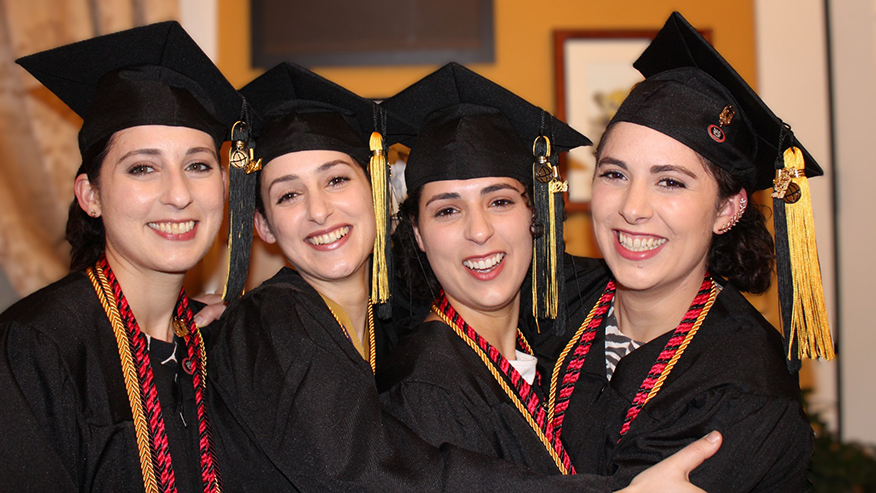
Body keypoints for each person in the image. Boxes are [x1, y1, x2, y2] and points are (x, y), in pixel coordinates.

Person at [206, 61, 721, 492]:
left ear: (376, 194)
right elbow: (372, 476)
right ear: (262, 224)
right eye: (288, 195)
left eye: (337, 179)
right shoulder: (277, 322)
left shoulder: (387, 320)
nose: (319, 212)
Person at [533, 12, 824, 492]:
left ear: (727, 209)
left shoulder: (744, 389)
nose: (633, 208)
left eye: (670, 182)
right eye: (614, 174)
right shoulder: (555, 297)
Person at [0, 22, 245, 491]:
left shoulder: (215, 346)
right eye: (143, 168)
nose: (178, 195)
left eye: (197, 165)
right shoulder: (36, 349)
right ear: (90, 195)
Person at [378, 62, 592, 475]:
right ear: (418, 234)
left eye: (500, 201)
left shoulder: (547, 352)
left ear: (535, 214)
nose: (479, 231)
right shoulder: (422, 390)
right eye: (447, 210)